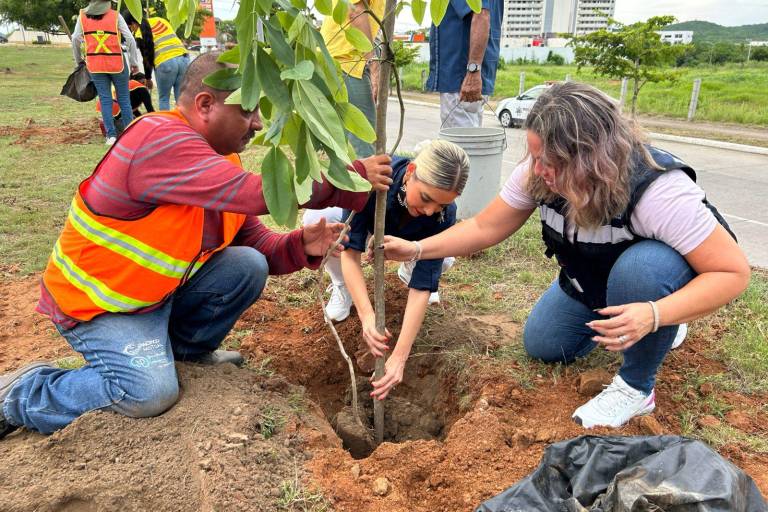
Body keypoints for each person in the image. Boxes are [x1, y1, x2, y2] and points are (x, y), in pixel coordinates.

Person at [0, 52, 393, 440]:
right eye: (248, 111)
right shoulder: (158, 139)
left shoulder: (220, 160)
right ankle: (21, 395)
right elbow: (260, 193)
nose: (258, 123)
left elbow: (254, 242)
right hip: (100, 308)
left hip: (153, 300)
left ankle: (183, 358)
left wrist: (300, 244)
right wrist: (348, 179)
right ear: (205, 105)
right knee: (149, 394)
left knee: (248, 265)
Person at [376, 82, 751, 427]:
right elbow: (484, 227)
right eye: (534, 155)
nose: (537, 169)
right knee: (545, 344)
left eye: (548, 161)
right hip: (592, 279)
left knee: (642, 273)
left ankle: (637, 385)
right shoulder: (539, 173)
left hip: (649, 273)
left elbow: (732, 272)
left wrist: (654, 313)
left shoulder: (657, 190)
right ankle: (648, 316)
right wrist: (418, 248)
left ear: (590, 157)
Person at [304, 140, 470, 400]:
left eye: (440, 205)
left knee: (446, 255)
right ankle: (342, 287)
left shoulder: (442, 215)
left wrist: (400, 356)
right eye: (426, 198)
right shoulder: (377, 180)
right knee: (318, 221)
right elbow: (350, 253)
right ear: (411, 171)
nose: (429, 211)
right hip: (372, 228)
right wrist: (368, 317)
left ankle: (408, 269)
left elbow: (422, 286)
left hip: (412, 244)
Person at [319, 0, 384, 159]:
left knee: (343, 146)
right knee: (363, 147)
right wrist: (373, 63)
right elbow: (356, 11)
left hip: (336, 60)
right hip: (346, 62)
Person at [72, 0, 140, 145]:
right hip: (117, 64)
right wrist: (134, 62)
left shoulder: (82, 16)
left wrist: (79, 61)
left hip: (96, 65)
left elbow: (75, 38)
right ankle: (131, 135)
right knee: (124, 100)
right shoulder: (115, 16)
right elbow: (130, 39)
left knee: (105, 100)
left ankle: (111, 136)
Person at [426, 0, 503, 128]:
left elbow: (481, 15)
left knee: (460, 138)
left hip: (460, 77)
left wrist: (473, 71)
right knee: (469, 134)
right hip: (463, 76)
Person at [123, 11, 189, 110]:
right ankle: (183, 120)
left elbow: (147, 58)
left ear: (133, 23)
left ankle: (166, 121)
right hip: (184, 59)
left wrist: (148, 79)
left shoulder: (139, 33)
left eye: (130, 27)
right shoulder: (160, 20)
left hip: (165, 63)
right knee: (181, 99)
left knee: (164, 99)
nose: (131, 30)